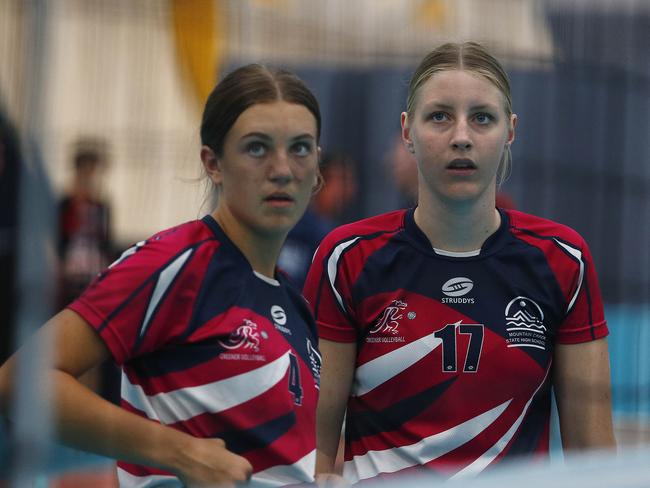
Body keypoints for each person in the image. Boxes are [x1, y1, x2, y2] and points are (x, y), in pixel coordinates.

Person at [303, 42, 615, 483]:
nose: (461, 136)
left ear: (510, 131)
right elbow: (309, 451)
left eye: (482, 117)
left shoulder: (561, 260)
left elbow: (597, 462)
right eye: (440, 116)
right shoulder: (348, 258)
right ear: (407, 131)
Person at [0, 64, 324, 487]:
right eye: (257, 148)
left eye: (300, 148)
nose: (283, 169)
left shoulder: (295, 304)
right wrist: (180, 452)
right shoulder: (177, 263)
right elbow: (19, 383)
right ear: (213, 163)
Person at [278, 152, 357, 289]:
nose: (349, 190)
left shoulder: (335, 231)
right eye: (342, 180)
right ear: (320, 181)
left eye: (350, 182)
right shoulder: (294, 227)